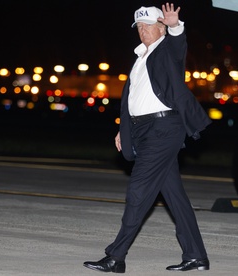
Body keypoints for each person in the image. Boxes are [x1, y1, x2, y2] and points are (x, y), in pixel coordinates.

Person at [83, 3, 211, 273]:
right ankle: (196, 255)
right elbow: (134, 100)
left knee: (138, 191)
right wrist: (124, 130)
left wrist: (176, 26)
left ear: (161, 27)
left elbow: (179, 45)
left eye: (148, 25)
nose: (143, 31)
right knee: (175, 197)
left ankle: (116, 257)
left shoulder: (167, 50)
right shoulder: (140, 57)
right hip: (143, 130)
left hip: (164, 129)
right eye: (139, 27)